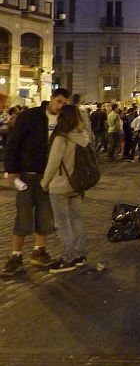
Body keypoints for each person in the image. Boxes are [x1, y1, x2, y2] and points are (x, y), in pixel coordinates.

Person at [1, 87, 71, 277]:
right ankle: (15, 256)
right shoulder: (31, 116)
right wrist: (11, 169)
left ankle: (39, 251)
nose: (61, 106)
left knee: (45, 215)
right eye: (59, 101)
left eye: (65, 103)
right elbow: (14, 142)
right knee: (23, 215)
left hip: (50, 176)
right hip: (28, 173)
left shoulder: (64, 121)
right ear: (51, 98)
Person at [40, 105, 92, 273]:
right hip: (77, 185)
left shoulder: (61, 138)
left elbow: (53, 164)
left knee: (63, 223)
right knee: (76, 219)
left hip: (59, 186)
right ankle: (80, 256)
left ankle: (68, 259)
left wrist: (44, 183)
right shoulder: (83, 137)